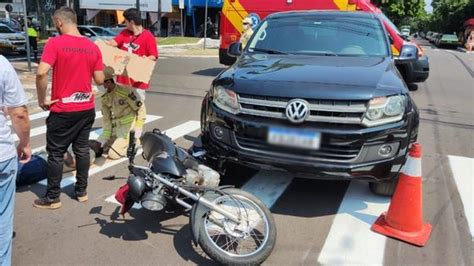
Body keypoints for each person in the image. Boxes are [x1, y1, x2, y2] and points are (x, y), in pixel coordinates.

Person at [34, 7, 104, 209]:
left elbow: (41, 73)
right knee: (82, 149)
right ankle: (81, 191)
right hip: (86, 108)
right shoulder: (93, 47)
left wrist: (42, 99)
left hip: (63, 110)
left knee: (56, 153)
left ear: (58, 22)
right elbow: (100, 79)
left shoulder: (55, 43)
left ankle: (52, 197)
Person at [105, 8, 157, 137]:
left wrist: (145, 59)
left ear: (132, 21)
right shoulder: (124, 33)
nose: (125, 24)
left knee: (138, 107)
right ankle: (123, 132)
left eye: (126, 21)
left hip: (137, 82)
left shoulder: (148, 36)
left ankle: (137, 133)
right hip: (122, 80)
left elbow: (153, 55)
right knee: (122, 107)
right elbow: (114, 42)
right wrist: (104, 44)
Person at [0, 55, 31, 266]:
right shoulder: (1, 63)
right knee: (2, 217)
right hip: (1, 154)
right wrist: (24, 143)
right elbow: (19, 113)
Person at [89, 67, 145, 160]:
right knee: (97, 148)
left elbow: (141, 109)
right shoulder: (105, 97)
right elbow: (106, 119)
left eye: (100, 84)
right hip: (116, 129)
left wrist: (138, 130)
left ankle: (137, 142)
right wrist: (104, 138)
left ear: (108, 82)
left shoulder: (125, 92)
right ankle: (116, 143)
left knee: (113, 154)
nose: (98, 87)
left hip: (128, 130)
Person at [16, 146, 96, 187]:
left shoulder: (90, 152)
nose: (94, 140)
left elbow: (74, 163)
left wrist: (62, 150)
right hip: (38, 157)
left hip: (44, 164)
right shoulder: (78, 142)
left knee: (14, 172)